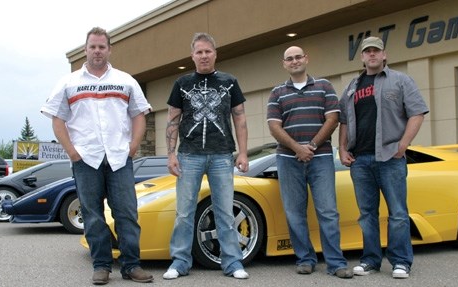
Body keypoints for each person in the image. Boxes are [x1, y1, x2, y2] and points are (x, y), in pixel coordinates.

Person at [40, 27, 154, 285]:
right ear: (86, 49)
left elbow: (139, 114)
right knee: (92, 215)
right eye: (93, 46)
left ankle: (131, 266)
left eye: (102, 46)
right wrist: (72, 151)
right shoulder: (69, 83)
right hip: (86, 160)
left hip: (119, 158)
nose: (97, 51)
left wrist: (133, 145)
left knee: (126, 213)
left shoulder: (126, 80)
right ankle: (101, 265)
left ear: (109, 49)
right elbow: (57, 119)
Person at [338, 36, 429, 279]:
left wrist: (403, 144)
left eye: (376, 51)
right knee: (367, 214)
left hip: (390, 158)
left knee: (398, 212)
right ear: (362, 57)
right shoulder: (352, 87)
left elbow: (417, 112)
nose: (371, 55)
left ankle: (401, 262)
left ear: (384, 54)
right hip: (361, 161)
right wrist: (342, 148)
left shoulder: (400, 81)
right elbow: (344, 121)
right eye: (367, 51)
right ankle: (370, 260)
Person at [162, 32, 250, 280]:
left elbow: (240, 118)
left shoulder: (230, 82)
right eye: (199, 52)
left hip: (222, 155)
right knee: (184, 213)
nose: (203, 56)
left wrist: (242, 152)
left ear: (215, 53)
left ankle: (233, 263)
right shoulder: (181, 84)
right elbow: (172, 120)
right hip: (188, 155)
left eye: (207, 51)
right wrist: (171, 155)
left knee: (225, 212)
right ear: (192, 55)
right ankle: (180, 262)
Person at [266, 46, 353, 279]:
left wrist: (311, 146)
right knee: (294, 212)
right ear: (284, 64)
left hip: (321, 157)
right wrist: (297, 148)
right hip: (287, 159)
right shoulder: (277, 93)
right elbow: (274, 126)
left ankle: (336, 262)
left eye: (298, 57)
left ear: (306, 58)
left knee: (328, 211)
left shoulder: (324, 86)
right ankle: (305, 259)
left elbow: (333, 119)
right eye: (289, 59)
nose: (294, 61)